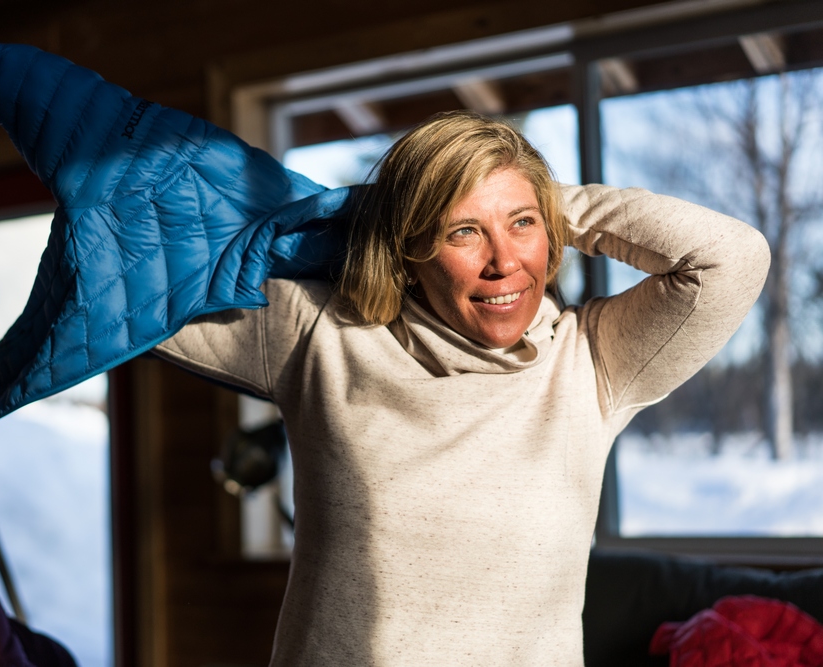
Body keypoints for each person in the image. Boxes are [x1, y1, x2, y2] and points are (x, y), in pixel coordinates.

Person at [154, 110, 770, 666]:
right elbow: (130, 293)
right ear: (409, 249)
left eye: (523, 224)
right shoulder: (319, 333)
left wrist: (537, 196)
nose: (504, 261)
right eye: (462, 232)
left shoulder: (592, 360)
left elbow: (730, 258)